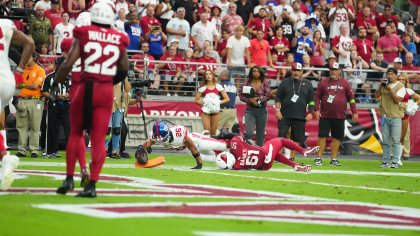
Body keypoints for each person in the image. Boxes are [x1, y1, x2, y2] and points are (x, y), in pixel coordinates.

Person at [54, 1, 130, 197]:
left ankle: (70, 178)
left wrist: (55, 84)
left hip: (84, 87)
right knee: (97, 140)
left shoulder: (83, 34)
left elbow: (67, 63)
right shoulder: (119, 38)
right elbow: (123, 70)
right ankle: (92, 185)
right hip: (106, 90)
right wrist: (107, 80)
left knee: (76, 133)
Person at [0, 19, 35, 190]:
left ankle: (5, 158)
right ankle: (4, 157)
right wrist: (20, 71)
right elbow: (29, 42)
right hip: (7, 81)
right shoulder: (5, 24)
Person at [314, 62, 358, 166]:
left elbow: (351, 99)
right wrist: (316, 110)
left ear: (339, 71)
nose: (332, 71)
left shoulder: (345, 83)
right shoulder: (323, 82)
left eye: (335, 69)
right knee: (322, 136)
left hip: (339, 115)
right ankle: (318, 158)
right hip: (325, 114)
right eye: (331, 69)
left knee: (336, 137)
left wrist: (354, 112)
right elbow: (317, 97)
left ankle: (333, 159)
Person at [135, 121, 229, 168]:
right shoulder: (156, 136)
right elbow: (147, 142)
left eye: (163, 138)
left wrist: (199, 164)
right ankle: (231, 157)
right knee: (216, 159)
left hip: (196, 142)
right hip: (187, 150)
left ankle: (228, 137)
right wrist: (140, 147)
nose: (161, 141)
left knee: (222, 146)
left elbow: (193, 147)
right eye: (159, 139)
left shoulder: (178, 132)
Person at [275, 62, 314, 161]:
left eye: (298, 71)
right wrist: (277, 110)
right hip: (284, 115)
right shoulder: (284, 82)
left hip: (300, 115)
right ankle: (278, 157)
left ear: (302, 71)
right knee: (281, 136)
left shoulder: (308, 84)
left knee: (297, 138)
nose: (296, 72)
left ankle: (291, 158)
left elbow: (312, 101)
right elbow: (278, 97)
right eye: (294, 70)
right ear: (291, 71)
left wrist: (310, 113)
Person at [213, 135, 318, 171]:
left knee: (275, 154)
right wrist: (220, 139)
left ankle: (294, 164)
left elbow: (222, 158)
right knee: (281, 140)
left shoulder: (236, 166)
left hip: (264, 166)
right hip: (263, 153)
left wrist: (216, 151)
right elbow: (233, 136)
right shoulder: (236, 144)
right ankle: (304, 150)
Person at [15, 51, 45, 158]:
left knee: (35, 127)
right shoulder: (23, 70)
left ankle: (34, 150)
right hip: (23, 100)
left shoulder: (40, 70)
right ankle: (21, 150)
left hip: (35, 100)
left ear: (34, 58)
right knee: (21, 126)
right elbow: (17, 83)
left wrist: (22, 85)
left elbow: (35, 85)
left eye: (28, 56)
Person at [374, 67, 405, 169]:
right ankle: (386, 160)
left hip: (395, 116)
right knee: (386, 140)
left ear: (396, 75)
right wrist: (380, 87)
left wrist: (390, 90)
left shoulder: (401, 86)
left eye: (392, 74)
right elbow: (376, 96)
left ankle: (395, 161)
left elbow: (397, 100)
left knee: (395, 140)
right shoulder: (384, 85)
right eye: (388, 74)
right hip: (384, 115)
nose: (390, 76)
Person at [40, 57, 71, 158]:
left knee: (69, 128)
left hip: (66, 105)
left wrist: (69, 95)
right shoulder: (49, 77)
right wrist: (55, 96)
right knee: (52, 128)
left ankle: (72, 151)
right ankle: (50, 151)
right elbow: (43, 92)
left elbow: (75, 91)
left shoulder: (70, 78)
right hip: (53, 105)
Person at [239, 66, 271, 146]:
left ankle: (260, 151)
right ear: (251, 73)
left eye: (258, 71)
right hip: (250, 110)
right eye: (254, 71)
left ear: (260, 73)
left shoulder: (265, 82)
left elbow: (267, 96)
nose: (256, 73)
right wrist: (250, 100)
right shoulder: (246, 83)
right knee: (249, 132)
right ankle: (249, 149)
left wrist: (258, 100)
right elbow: (241, 96)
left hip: (262, 111)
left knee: (260, 134)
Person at [194, 70, 230, 136]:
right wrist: (205, 103)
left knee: (213, 132)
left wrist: (217, 102)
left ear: (213, 76)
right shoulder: (203, 88)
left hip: (216, 111)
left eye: (210, 74)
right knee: (206, 130)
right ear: (205, 77)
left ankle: (212, 145)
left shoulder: (218, 86)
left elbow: (227, 99)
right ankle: (205, 145)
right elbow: (196, 100)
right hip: (205, 111)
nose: (208, 75)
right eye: (206, 74)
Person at [395, 75, 420, 165]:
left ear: (406, 81)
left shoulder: (408, 91)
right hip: (394, 115)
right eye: (399, 79)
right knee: (393, 136)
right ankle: (392, 155)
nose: (401, 81)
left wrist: (413, 106)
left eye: (403, 79)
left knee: (403, 136)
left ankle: (400, 157)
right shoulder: (393, 89)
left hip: (404, 115)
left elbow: (418, 98)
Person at [104, 79, 130, 159]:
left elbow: (127, 89)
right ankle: (104, 149)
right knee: (107, 129)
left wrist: (124, 77)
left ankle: (114, 151)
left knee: (117, 129)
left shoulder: (122, 76)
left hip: (119, 105)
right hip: (108, 104)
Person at [227, 25, 251, 89]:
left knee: (238, 78)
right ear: (235, 31)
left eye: (240, 31)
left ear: (243, 32)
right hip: (232, 61)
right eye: (237, 31)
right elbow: (229, 51)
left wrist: (249, 62)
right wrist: (229, 62)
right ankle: (230, 93)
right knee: (230, 78)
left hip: (240, 62)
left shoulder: (245, 39)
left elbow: (247, 52)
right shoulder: (231, 39)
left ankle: (237, 94)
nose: (239, 32)